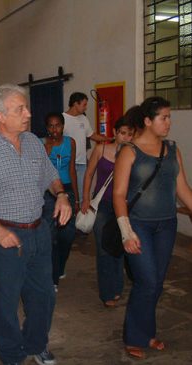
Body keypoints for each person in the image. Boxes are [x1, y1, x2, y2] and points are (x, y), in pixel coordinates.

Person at [0, 84, 71, 365]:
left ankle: (36, 344)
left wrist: (61, 195)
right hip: (5, 236)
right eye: (20, 109)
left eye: (26, 107)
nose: (28, 113)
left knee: (43, 296)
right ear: (0, 116)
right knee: (5, 301)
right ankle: (11, 354)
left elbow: (50, 175)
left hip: (39, 231)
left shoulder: (34, 141)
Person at [113, 96, 192, 359]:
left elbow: (183, 190)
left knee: (156, 283)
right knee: (146, 281)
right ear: (148, 121)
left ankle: (147, 333)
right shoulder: (129, 151)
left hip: (166, 225)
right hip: (139, 225)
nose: (169, 122)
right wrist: (126, 232)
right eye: (164, 117)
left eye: (169, 117)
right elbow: (119, 194)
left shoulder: (172, 150)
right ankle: (134, 336)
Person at [81, 116, 134, 307]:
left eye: (130, 134)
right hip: (102, 205)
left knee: (120, 247)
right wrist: (86, 198)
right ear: (114, 132)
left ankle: (117, 287)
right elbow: (89, 174)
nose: (126, 137)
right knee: (104, 249)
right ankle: (107, 293)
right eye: (122, 133)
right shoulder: (101, 149)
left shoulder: (132, 154)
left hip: (123, 207)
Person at [41, 112, 79, 290]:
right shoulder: (41, 144)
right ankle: (52, 278)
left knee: (67, 235)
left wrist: (76, 199)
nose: (54, 129)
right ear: (46, 127)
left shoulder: (70, 143)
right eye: (50, 125)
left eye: (57, 125)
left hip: (67, 189)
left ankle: (60, 265)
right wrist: (46, 151)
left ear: (63, 126)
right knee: (51, 235)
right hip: (48, 193)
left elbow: (71, 170)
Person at [63, 92, 110, 201]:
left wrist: (108, 139)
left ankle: (79, 214)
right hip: (67, 164)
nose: (86, 107)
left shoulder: (83, 119)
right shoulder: (62, 118)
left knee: (81, 193)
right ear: (75, 104)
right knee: (68, 192)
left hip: (82, 163)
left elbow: (92, 135)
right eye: (84, 104)